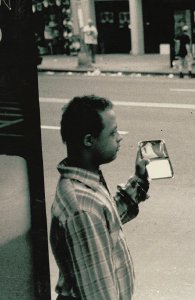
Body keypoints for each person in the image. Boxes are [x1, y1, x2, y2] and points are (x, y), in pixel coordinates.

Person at [50, 95, 150, 300]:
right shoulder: (82, 208)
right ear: (89, 140)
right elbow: (99, 294)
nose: (120, 137)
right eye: (112, 132)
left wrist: (139, 181)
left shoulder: (85, 182)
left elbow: (106, 222)